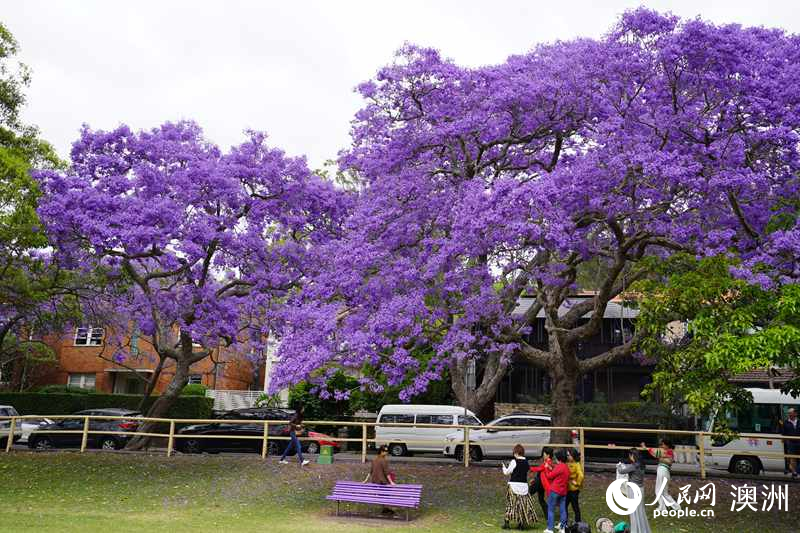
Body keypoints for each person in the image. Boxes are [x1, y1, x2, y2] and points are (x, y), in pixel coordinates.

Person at [501, 444, 537, 530]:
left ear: (516, 452)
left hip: (514, 486)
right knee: (523, 505)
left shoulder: (514, 461)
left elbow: (507, 472)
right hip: (524, 486)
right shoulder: (526, 462)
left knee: (511, 504)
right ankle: (521, 524)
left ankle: (507, 523)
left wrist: (503, 467)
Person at [616, 449, 651, 533]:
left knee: (634, 511)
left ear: (633, 456)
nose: (629, 457)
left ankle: (636, 530)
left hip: (633, 489)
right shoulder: (642, 465)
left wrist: (619, 465)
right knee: (640, 510)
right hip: (640, 489)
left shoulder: (634, 466)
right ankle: (642, 529)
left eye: (630, 455)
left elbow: (621, 471)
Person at [641, 439, 680, 512]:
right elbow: (655, 453)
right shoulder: (667, 451)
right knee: (664, 492)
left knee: (659, 490)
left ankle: (663, 508)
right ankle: (675, 507)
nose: (661, 446)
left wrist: (661, 457)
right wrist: (646, 448)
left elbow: (668, 460)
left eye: (663, 444)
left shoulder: (668, 451)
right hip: (664, 471)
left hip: (663, 470)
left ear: (667, 445)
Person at [364, 444, 396, 516]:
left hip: (375, 482)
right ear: (381, 451)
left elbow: (370, 471)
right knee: (386, 493)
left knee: (383, 494)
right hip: (382, 482)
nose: (387, 452)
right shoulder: (384, 461)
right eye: (385, 451)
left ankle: (385, 508)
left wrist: (365, 480)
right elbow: (387, 473)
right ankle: (385, 509)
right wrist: (391, 482)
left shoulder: (374, 460)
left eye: (387, 451)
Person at [543, 449, 570, 533]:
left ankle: (550, 529)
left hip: (555, 491)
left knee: (551, 509)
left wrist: (547, 468)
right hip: (563, 492)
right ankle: (562, 527)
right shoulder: (566, 467)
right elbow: (558, 473)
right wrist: (552, 468)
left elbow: (549, 476)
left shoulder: (559, 466)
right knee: (563, 510)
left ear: (558, 458)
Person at [529, 447, 553, 518]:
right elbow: (541, 473)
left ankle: (526, 511)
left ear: (548, 455)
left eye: (544, 454)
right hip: (541, 483)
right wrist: (534, 479)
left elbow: (539, 468)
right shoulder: (547, 462)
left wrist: (530, 468)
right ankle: (547, 515)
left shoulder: (548, 463)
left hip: (539, 483)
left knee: (527, 494)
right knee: (541, 499)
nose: (543, 455)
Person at [566, 448, 584, 523]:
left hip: (574, 490)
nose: (567, 456)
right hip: (566, 489)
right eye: (567, 455)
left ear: (573, 456)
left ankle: (578, 522)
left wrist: (577, 483)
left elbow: (581, 475)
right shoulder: (567, 463)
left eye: (569, 455)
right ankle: (564, 522)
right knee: (564, 506)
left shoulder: (577, 464)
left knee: (575, 507)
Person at [782, 408, 800, 479]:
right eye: (789, 413)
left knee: (798, 458)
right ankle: (794, 472)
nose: (790, 414)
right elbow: (783, 433)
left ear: (795, 414)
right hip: (791, 443)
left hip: (799, 442)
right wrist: (786, 441)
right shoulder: (786, 422)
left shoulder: (799, 421)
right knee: (792, 458)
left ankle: (797, 471)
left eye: (791, 413)